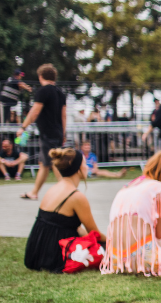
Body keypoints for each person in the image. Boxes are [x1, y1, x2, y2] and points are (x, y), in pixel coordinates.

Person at [24, 148, 106, 272]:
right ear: (78, 169)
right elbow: (94, 233)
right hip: (56, 255)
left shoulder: (53, 188)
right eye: (84, 163)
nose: (87, 167)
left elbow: (68, 225)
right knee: (105, 247)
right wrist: (114, 241)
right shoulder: (76, 196)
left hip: (35, 252)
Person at [18, 64, 67, 200]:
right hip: (56, 132)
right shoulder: (60, 92)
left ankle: (67, 191)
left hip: (47, 132)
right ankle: (34, 192)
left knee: (53, 163)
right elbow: (64, 115)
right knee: (45, 164)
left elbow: (35, 111)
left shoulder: (43, 91)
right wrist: (63, 133)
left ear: (41, 77)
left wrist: (23, 127)